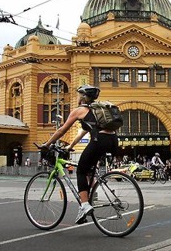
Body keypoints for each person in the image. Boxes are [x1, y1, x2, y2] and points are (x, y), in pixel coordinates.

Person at [40, 85, 118, 224]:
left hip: (99, 140)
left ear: (82, 97)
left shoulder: (79, 110)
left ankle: (85, 204)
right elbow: (83, 133)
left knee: (81, 171)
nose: (76, 97)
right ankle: (88, 201)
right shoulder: (97, 110)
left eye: (78, 95)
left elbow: (62, 130)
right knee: (89, 171)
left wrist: (47, 144)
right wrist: (70, 146)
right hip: (113, 141)